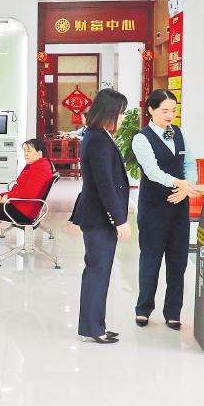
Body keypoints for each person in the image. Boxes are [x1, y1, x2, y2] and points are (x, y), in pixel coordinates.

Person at [69, 88, 131, 344]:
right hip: (99, 217)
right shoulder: (97, 140)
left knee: (99, 271)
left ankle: (95, 325)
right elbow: (105, 184)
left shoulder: (97, 135)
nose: (123, 118)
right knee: (97, 271)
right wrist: (119, 220)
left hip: (98, 215)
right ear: (109, 112)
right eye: (121, 113)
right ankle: (93, 328)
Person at [132, 89, 197, 330]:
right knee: (151, 259)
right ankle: (143, 309)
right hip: (153, 207)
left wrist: (186, 188)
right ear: (151, 110)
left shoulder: (178, 133)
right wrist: (178, 183)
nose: (170, 115)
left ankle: (173, 312)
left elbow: (190, 164)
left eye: (174, 110)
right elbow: (152, 172)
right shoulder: (142, 138)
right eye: (165, 111)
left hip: (179, 206)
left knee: (178, 261)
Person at [0, 138, 55, 265]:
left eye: (29, 151)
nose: (25, 154)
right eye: (24, 151)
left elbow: (30, 193)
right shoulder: (37, 164)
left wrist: (8, 198)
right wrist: (3, 196)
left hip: (24, 211)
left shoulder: (40, 168)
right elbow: (22, 188)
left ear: (39, 153)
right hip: (22, 205)